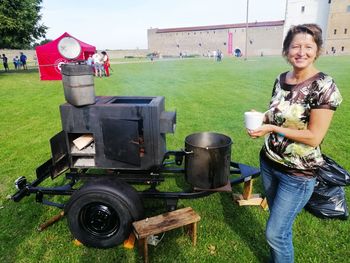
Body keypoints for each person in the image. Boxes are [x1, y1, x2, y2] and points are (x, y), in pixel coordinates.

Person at [247, 24, 342, 263]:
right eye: (295, 46)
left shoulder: (324, 86)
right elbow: (279, 113)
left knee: (275, 233)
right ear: (287, 51)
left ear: (317, 50)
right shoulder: (281, 80)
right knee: (279, 228)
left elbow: (314, 136)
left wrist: (271, 128)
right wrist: (263, 117)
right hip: (269, 163)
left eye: (308, 47)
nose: (301, 52)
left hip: (298, 174)